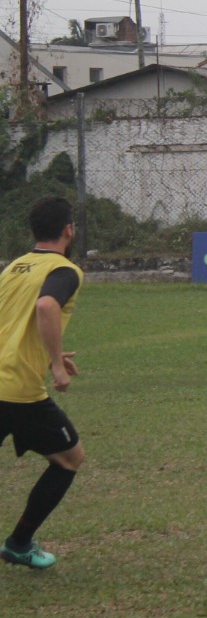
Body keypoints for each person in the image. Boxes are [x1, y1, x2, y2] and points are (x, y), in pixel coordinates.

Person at [0, 196, 87, 569]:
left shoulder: (13, 268)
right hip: (17, 391)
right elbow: (46, 307)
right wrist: (55, 364)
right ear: (69, 230)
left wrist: (46, 349)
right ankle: (19, 543)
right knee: (69, 457)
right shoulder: (65, 270)